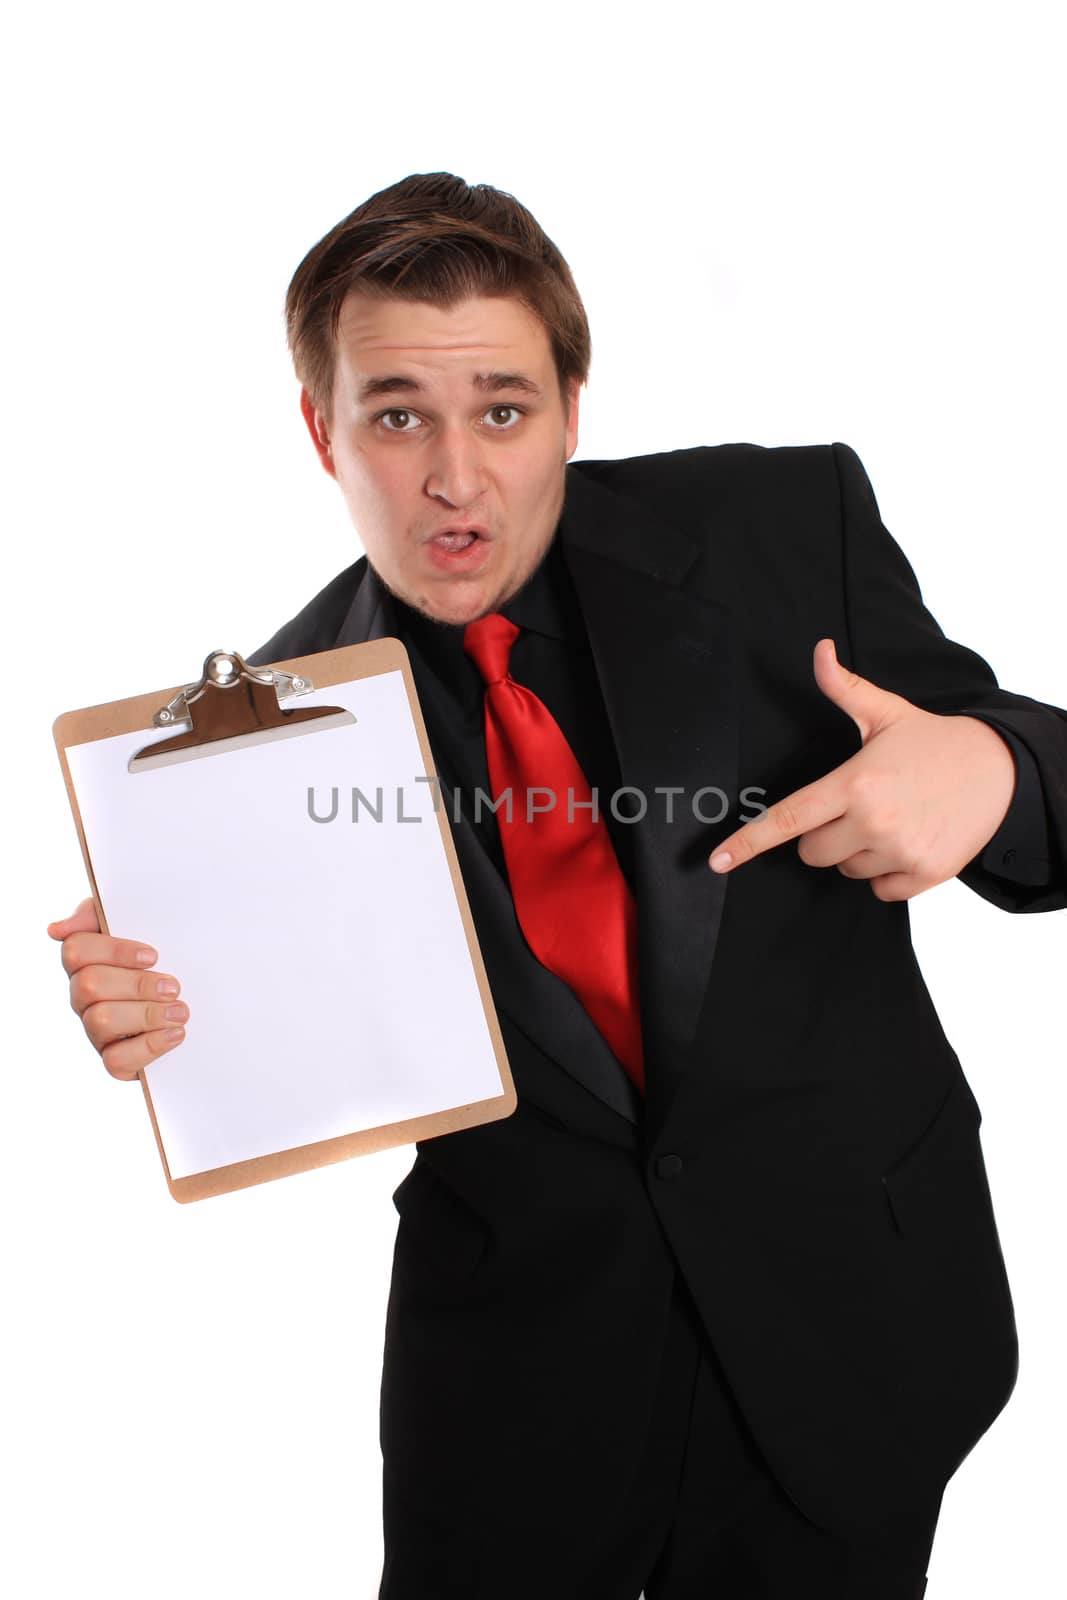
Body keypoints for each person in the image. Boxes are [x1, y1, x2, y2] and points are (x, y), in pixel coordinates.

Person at [48, 172, 1067, 1598]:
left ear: (573, 415)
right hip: (521, 1396)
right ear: (318, 429)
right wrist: (162, 1018)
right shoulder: (239, 761)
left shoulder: (779, 526)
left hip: (855, 1326)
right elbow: (271, 1054)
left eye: (504, 412)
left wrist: (998, 773)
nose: (455, 477)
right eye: (397, 414)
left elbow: (1049, 777)